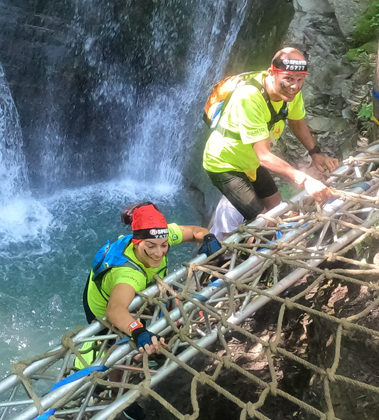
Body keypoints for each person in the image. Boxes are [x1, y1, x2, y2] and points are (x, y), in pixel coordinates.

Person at [203, 47, 339, 222]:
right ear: (271, 73)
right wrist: (305, 181)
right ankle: (248, 247)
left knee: (277, 208)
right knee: (265, 222)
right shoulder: (249, 97)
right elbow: (264, 156)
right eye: (288, 79)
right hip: (224, 164)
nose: (294, 86)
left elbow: (297, 123)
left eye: (300, 80)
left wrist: (315, 153)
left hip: (250, 160)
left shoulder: (290, 94)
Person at [83, 202, 222, 355]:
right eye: (151, 246)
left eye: (164, 245)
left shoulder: (160, 235)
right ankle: (117, 375)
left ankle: (168, 345)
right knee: (119, 348)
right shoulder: (128, 275)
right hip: (102, 306)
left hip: (141, 286)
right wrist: (137, 330)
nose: (158, 253)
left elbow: (194, 231)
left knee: (171, 298)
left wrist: (208, 237)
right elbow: (114, 310)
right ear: (136, 243)